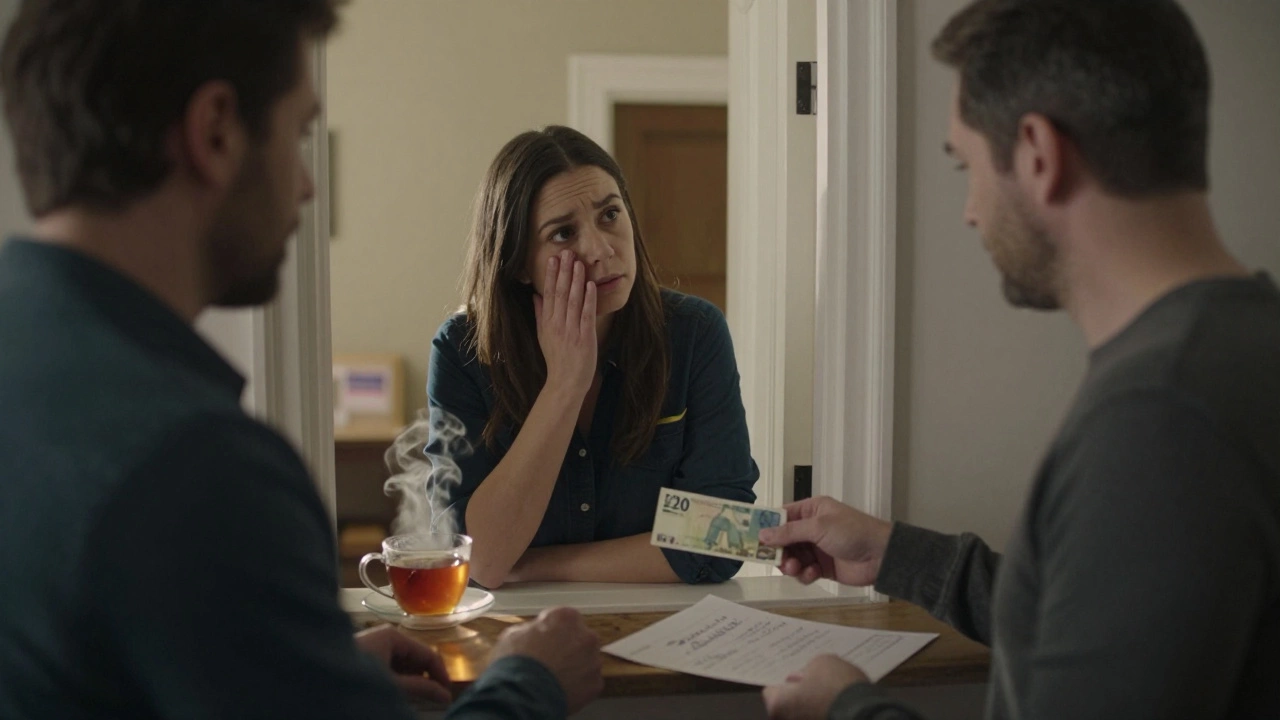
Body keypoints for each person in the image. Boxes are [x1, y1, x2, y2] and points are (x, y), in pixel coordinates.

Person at [0, 2, 601, 719]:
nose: (309, 186)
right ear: (217, 131)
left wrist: (306, 669)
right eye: (299, 134)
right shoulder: (199, 465)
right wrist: (531, 679)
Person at [757, 1, 1280, 719]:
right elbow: (1103, 619)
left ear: (1038, 153)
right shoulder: (1234, 351)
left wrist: (847, 707)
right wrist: (898, 554)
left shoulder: (1160, 420)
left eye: (965, 164)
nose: (971, 209)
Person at [428, 126, 759, 589]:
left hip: (663, 626)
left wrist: (536, 565)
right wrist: (565, 384)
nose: (601, 250)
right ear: (518, 262)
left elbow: (728, 540)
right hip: (515, 630)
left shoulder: (694, 334)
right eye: (563, 233)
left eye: (610, 214)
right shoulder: (462, 351)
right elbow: (472, 555)